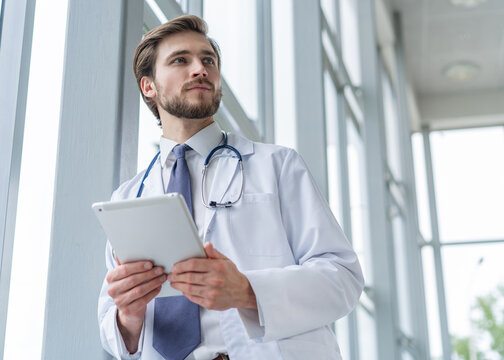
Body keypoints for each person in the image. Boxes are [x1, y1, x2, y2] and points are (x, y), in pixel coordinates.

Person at [98, 14, 364, 360]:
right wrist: (128, 315)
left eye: (208, 60)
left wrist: (248, 291)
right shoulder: (127, 199)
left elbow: (343, 279)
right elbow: (113, 328)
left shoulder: (277, 165)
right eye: (181, 60)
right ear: (148, 86)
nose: (200, 69)